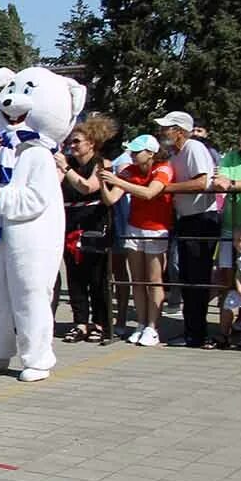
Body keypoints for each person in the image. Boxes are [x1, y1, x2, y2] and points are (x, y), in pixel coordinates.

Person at [155, 112, 223, 348]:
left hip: (202, 219)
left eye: (167, 128)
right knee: (186, 278)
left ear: (180, 131)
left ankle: (198, 333)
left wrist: (167, 188)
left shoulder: (193, 148)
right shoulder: (176, 154)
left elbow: (202, 183)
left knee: (197, 278)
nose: (163, 133)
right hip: (185, 219)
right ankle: (191, 330)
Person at [101, 134, 172, 347]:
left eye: (136, 151)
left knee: (153, 280)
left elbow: (150, 193)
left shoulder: (163, 168)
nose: (131, 155)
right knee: (137, 280)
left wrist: (119, 181)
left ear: (150, 153)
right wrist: (105, 181)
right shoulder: (129, 171)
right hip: (134, 227)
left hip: (156, 229)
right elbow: (111, 198)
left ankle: (152, 326)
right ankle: (141, 324)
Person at [55, 115, 117, 342]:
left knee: (96, 277)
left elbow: (88, 187)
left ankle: (100, 323)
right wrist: (60, 167)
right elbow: (54, 182)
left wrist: (66, 170)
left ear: (91, 143)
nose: (72, 146)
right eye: (70, 142)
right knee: (75, 276)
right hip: (70, 224)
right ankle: (80, 322)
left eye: (77, 142)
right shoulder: (67, 165)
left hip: (94, 224)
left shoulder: (102, 163)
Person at [215, 130, 241, 349]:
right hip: (230, 226)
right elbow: (219, 180)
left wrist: (232, 183)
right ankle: (223, 332)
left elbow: (229, 183)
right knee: (226, 277)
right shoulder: (231, 156)